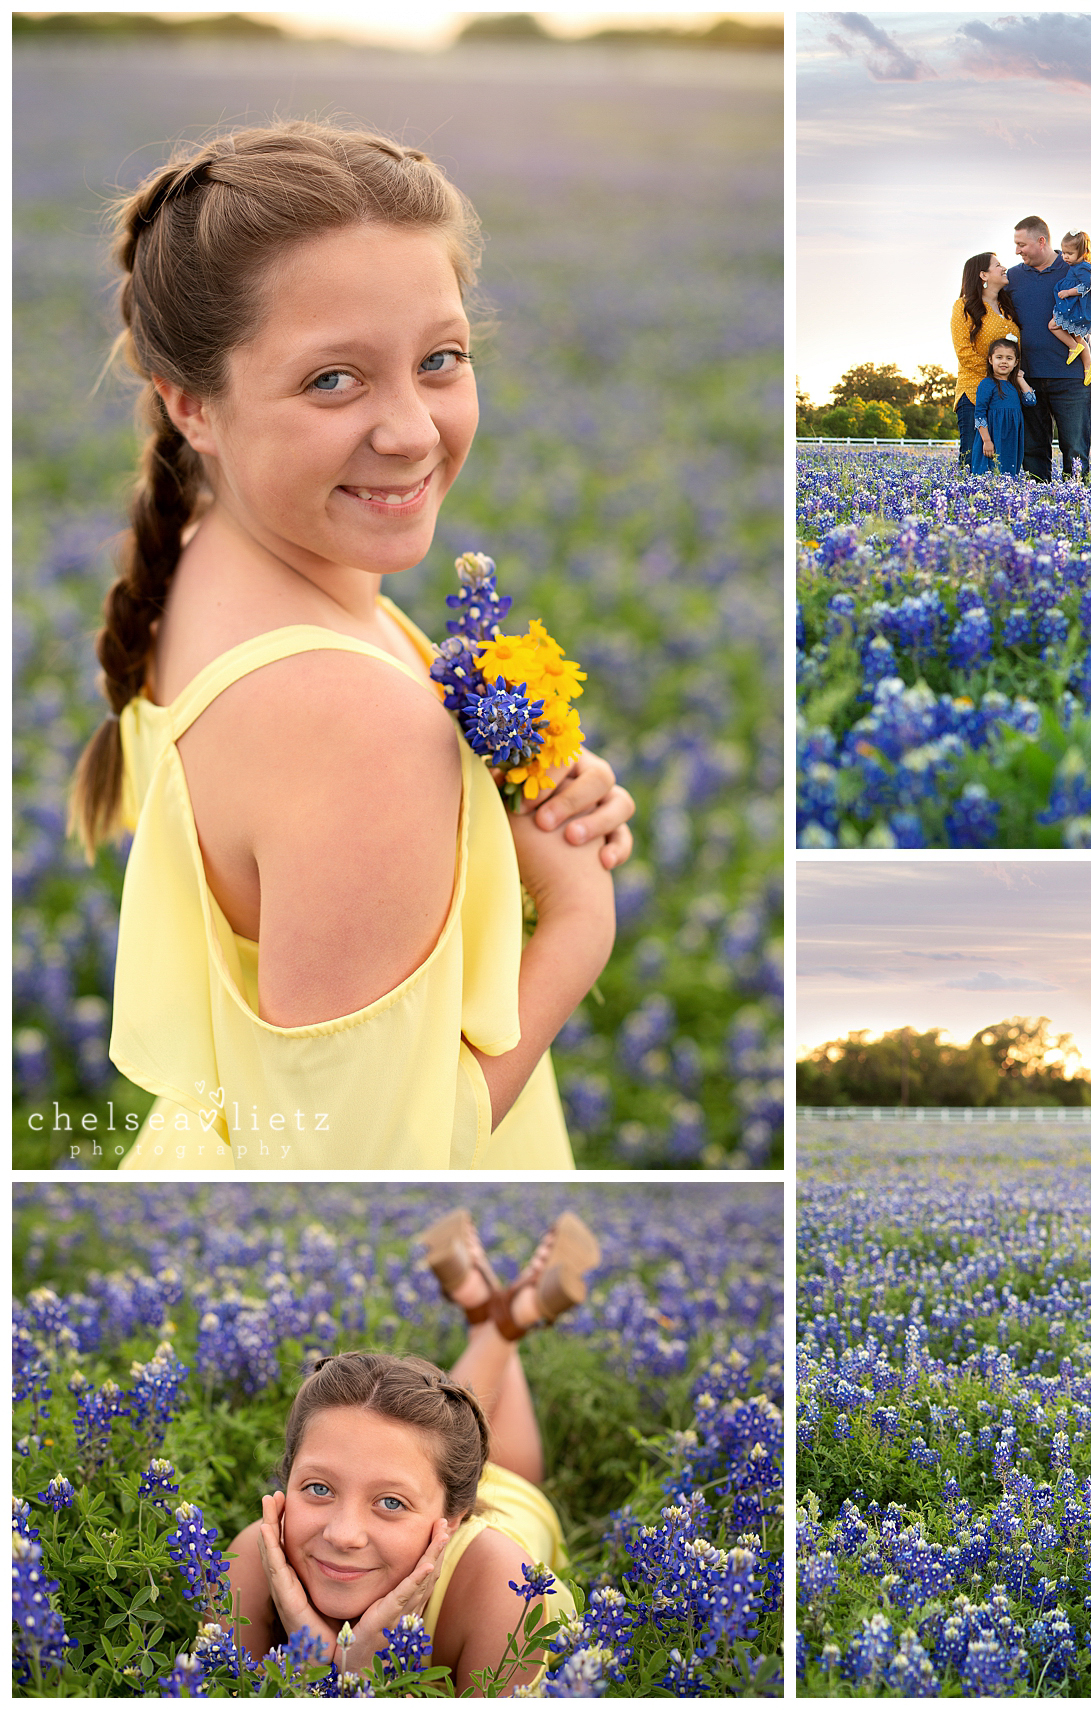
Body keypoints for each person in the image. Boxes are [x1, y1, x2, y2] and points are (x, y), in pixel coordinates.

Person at [68, 122, 636, 1170]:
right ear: (191, 401)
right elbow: (373, 1156)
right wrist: (576, 917)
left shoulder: (206, 560)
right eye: (332, 379)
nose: (412, 429)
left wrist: (490, 808)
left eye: (441, 359)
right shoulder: (349, 719)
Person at [223, 1208, 596, 1690]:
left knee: (490, 1466)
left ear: (456, 1516)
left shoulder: (508, 1587)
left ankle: (500, 1317)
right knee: (419, 1436)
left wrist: (349, 1675)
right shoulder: (252, 1559)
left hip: (509, 1509)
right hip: (435, 1476)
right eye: (318, 1487)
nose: (344, 1534)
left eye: (390, 1502)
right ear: (286, 1479)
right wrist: (323, 1660)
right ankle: (503, 1319)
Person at [1005, 216, 1091, 482]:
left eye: (1022, 244)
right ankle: (1037, 509)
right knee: (1032, 450)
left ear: (1041, 241)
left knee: (1075, 449)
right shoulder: (1013, 276)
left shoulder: (1075, 269)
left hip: (1071, 376)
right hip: (1027, 377)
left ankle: (1075, 507)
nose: (1017, 251)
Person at [948, 252, 1021, 470]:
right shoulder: (964, 306)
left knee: (1002, 459)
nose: (1004, 268)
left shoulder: (1007, 308)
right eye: (998, 265)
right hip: (974, 391)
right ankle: (969, 500)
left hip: (1006, 396)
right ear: (983, 274)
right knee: (974, 458)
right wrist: (998, 376)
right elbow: (964, 352)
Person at [1047, 230, 1091, 384]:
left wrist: (1068, 292)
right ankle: (1087, 365)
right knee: (1076, 335)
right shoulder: (1075, 266)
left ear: (1083, 252)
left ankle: (1077, 351)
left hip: (1076, 307)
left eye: (1070, 253)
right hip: (1071, 306)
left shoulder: (1084, 268)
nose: (1065, 257)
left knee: (1056, 326)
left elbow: (1086, 286)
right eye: (1064, 253)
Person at [971, 338, 1034, 476]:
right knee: (989, 471)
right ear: (990, 360)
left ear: (1016, 362)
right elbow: (979, 414)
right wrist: (987, 441)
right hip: (994, 434)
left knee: (1008, 472)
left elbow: (1031, 401)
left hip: (1011, 437)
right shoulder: (987, 384)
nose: (1004, 361)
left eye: (1009, 358)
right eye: (999, 357)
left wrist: (1020, 378)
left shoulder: (1015, 385)